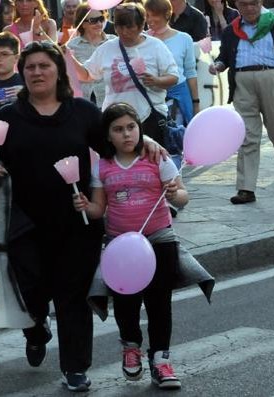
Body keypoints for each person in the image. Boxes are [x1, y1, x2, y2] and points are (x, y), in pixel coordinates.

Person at [0, 41, 105, 392]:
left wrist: (147, 147)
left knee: (72, 296)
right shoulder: (7, 117)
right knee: (29, 292)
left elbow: (113, 149)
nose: (37, 72)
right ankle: (34, 329)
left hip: (76, 224)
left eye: (44, 66)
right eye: (30, 67)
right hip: (23, 225)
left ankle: (75, 367)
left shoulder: (82, 112)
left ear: (58, 71)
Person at [73, 102, 188, 390]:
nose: (126, 134)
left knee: (159, 303)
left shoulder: (158, 158)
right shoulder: (103, 166)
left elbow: (183, 197)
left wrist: (175, 193)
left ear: (139, 129)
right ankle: (131, 346)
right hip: (121, 246)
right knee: (126, 304)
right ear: (108, 135)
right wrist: (85, 206)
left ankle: (161, 361)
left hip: (159, 239)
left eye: (131, 127)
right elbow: (99, 209)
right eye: (118, 129)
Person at [67, 2, 179, 147]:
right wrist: (69, 57)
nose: (124, 32)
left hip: (149, 117)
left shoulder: (155, 46)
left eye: (129, 27)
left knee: (151, 165)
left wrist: (156, 81)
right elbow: (87, 75)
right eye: (120, 27)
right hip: (116, 122)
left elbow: (173, 77)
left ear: (141, 25)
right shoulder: (107, 48)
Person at [210, 0, 274, 204]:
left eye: (253, 3)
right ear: (236, 5)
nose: (249, 8)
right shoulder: (232, 29)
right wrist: (218, 65)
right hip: (242, 81)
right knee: (247, 136)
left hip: (272, 78)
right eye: (244, 4)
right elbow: (225, 56)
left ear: (261, 2)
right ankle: (246, 188)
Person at [145, 0, 199, 125]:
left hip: (179, 93)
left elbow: (190, 72)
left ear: (167, 15)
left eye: (154, 15)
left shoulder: (184, 38)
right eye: (147, 15)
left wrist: (196, 103)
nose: (150, 19)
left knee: (179, 135)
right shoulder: (142, 38)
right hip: (151, 95)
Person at [67, 4, 116, 105]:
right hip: (83, 100)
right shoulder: (72, 46)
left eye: (101, 19)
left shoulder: (114, 42)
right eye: (93, 20)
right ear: (83, 24)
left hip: (111, 98)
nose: (99, 23)